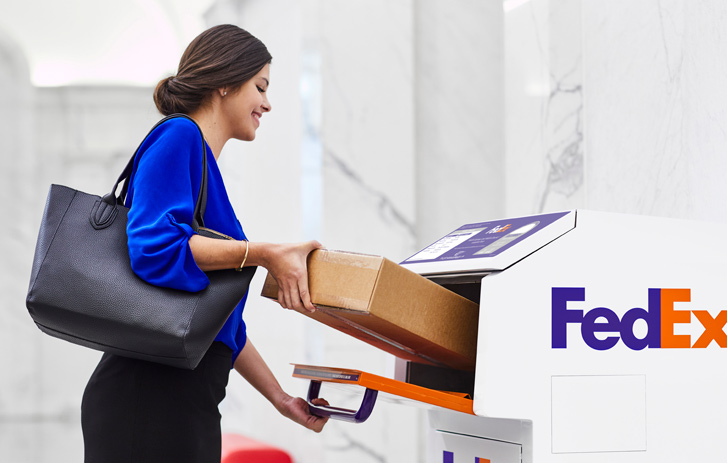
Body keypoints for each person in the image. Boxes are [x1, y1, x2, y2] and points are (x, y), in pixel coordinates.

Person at [81, 24, 328, 463]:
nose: (267, 104)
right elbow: (154, 249)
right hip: (149, 402)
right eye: (261, 86)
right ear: (226, 83)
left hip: (182, 401)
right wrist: (263, 253)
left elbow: (220, 326)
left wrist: (280, 399)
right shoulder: (179, 136)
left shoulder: (201, 166)